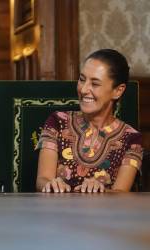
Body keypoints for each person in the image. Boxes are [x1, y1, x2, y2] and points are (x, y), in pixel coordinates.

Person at [36, 49, 143, 193]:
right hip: (57, 213)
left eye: (95, 84)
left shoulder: (131, 138)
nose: (84, 89)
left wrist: (101, 191)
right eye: (82, 79)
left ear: (118, 90)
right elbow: (42, 179)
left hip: (106, 215)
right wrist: (50, 184)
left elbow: (121, 193)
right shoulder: (57, 121)